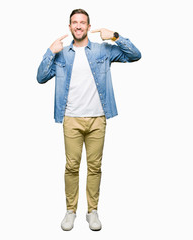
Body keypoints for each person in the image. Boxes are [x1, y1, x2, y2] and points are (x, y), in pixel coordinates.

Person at [36, 8, 141, 231]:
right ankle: (70, 211)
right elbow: (41, 77)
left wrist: (115, 36)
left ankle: (92, 211)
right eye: (74, 22)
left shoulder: (103, 50)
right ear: (70, 27)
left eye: (82, 22)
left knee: (95, 167)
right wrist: (49, 52)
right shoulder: (62, 54)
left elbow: (135, 55)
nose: (79, 26)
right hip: (71, 119)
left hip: (97, 119)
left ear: (89, 27)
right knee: (72, 167)